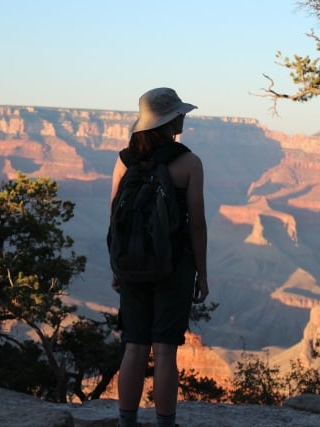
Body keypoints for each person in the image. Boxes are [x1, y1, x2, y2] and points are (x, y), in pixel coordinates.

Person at [110, 87, 209, 427]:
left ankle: (127, 421)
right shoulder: (189, 163)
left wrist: (117, 266)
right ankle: (166, 423)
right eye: (180, 113)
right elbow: (197, 223)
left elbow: (115, 216)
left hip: (132, 265)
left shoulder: (124, 160)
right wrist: (202, 273)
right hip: (173, 266)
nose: (184, 117)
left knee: (134, 345)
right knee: (165, 349)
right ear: (171, 120)